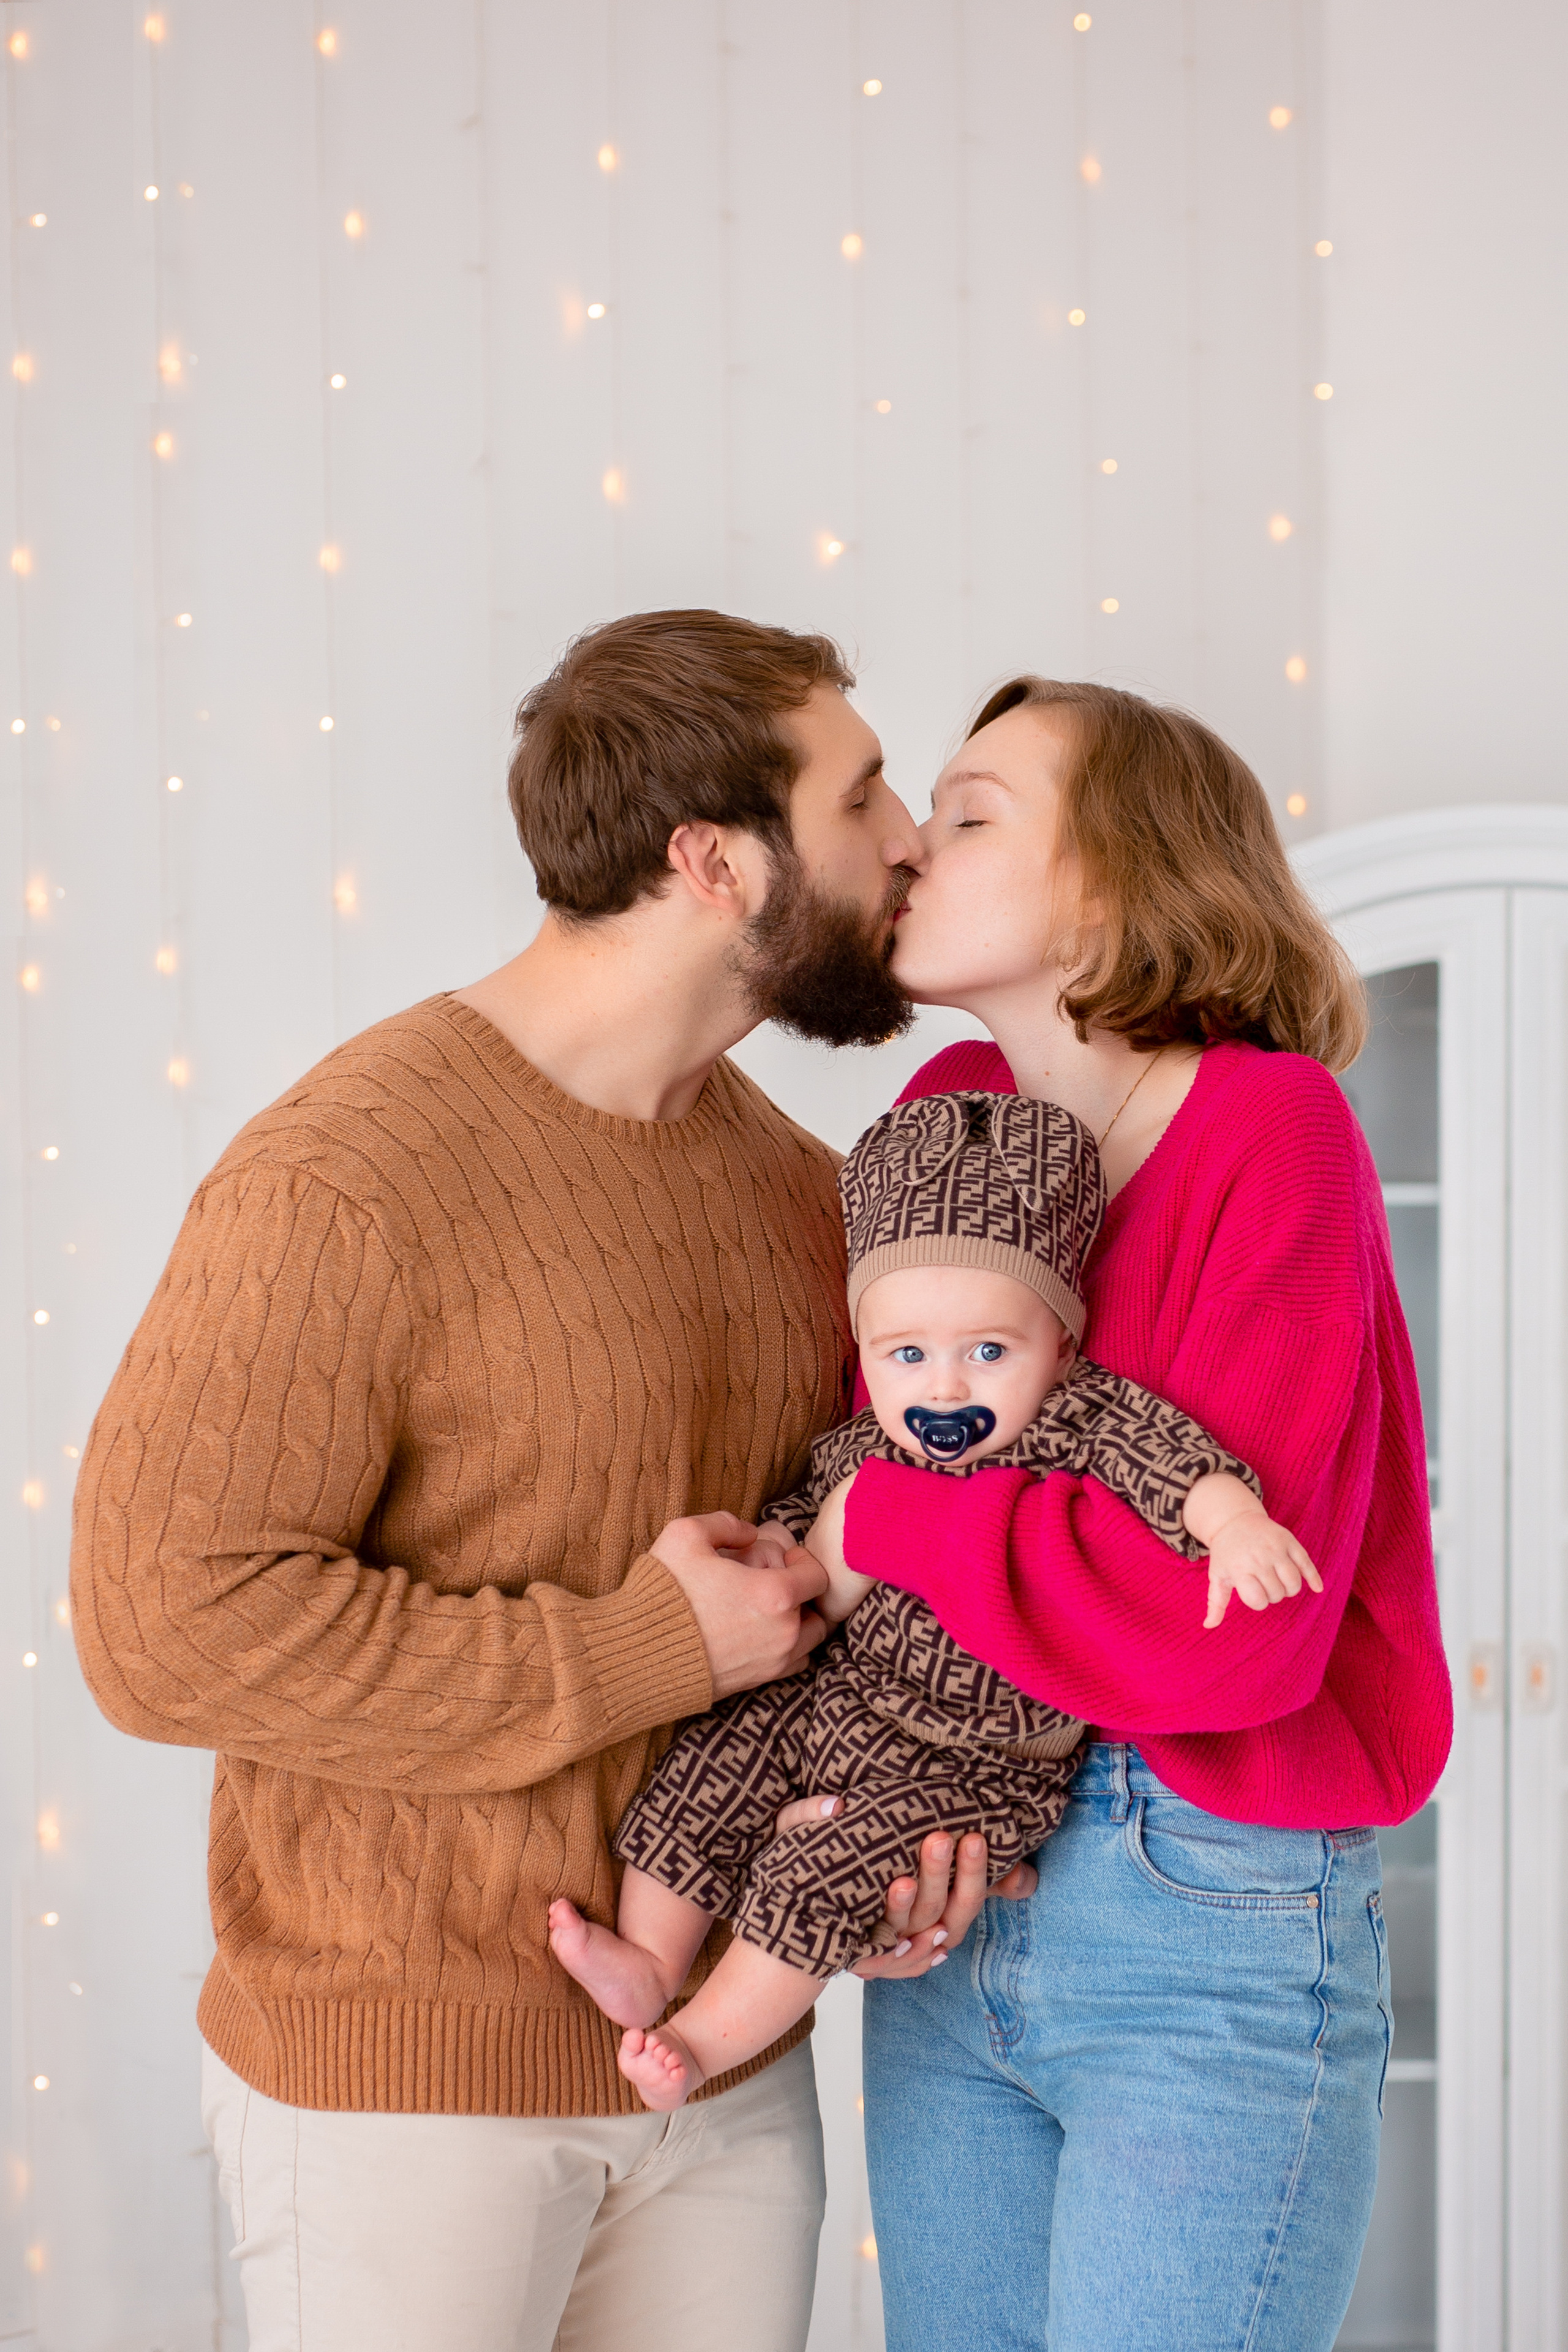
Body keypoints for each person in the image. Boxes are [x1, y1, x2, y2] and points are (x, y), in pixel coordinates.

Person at [67, 611, 995, 2352]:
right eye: (863, 790)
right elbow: (161, 1630)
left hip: (725, 2079)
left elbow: (866, 1576)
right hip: (399, 2094)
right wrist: (644, 1647)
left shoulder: (809, 1199)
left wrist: (906, 1827)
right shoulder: (346, 1178)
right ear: (714, 860)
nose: (908, 839)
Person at [839, 677, 1453, 2352]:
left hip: (1210, 1896)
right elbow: (872, 1471)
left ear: (1114, 878)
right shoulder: (943, 1114)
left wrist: (887, 1535)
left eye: (972, 815)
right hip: (959, 1877)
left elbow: (1217, 1639)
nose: (914, 847)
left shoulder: (1276, 1127)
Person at [549, 1087, 1319, 2111]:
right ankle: (653, 1958)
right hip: (838, 1702)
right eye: (906, 1355)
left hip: (976, 1764)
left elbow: (1170, 1461)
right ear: (867, 1353)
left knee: (828, 1867)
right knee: (716, 1758)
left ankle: (695, 2040)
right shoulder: (869, 1441)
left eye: (988, 1352)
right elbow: (803, 1537)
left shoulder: (1074, 1418)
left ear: (1062, 1350)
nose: (944, 1388)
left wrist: (1234, 1527)